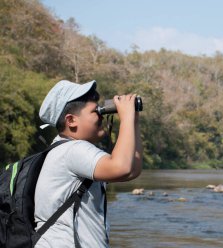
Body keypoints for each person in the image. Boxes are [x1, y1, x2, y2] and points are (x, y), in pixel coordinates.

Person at [34, 80, 143, 248]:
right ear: (71, 120)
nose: (101, 114)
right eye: (96, 111)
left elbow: (131, 171)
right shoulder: (72, 150)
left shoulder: (66, 150)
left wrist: (133, 121)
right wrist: (126, 118)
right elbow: (121, 167)